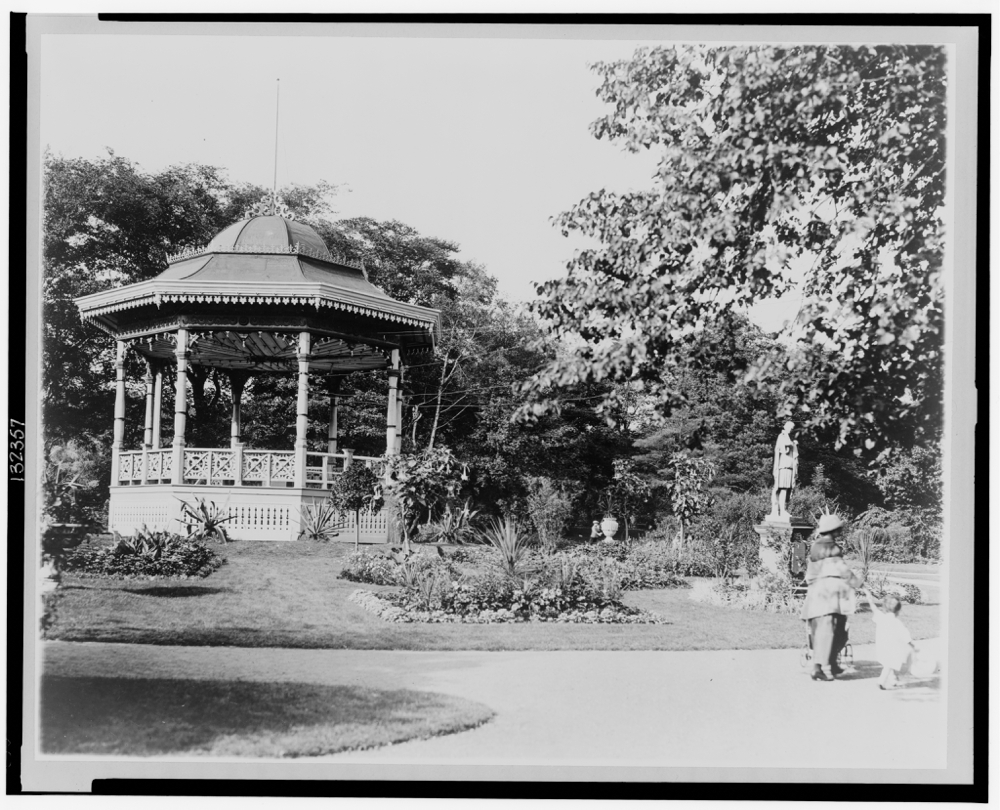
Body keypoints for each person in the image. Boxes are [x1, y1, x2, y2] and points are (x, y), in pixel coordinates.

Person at [801, 514, 863, 681]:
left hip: (816, 594)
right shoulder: (831, 548)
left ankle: (828, 665)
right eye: (839, 528)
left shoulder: (815, 546)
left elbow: (811, 575)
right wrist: (857, 582)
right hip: (831, 597)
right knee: (833, 630)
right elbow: (842, 571)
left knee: (818, 630)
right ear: (834, 530)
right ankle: (820, 668)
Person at [862, 587, 916, 690]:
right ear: (898, 610)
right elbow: (906, 637)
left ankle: (893, 680)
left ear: (885, 608)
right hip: (892, 648)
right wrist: (914, 647)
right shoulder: (897, 623)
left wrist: (868, 596)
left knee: (888, 664)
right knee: (889, 665)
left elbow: (873, 607)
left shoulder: (881, 617)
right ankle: (881, 681)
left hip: (882, 646)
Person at [770, 421, 798, 519]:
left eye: (793, 427)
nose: (791, 429)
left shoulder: (787, 437)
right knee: (780, 488)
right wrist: (793, 443)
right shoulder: (782, 436)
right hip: (783, 466)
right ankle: (778, 510)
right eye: (790, 427)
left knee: (785, 489)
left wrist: (793, 444)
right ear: (786, 426)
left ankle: (782, 510)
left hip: (789, 466)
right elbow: (783, 448)